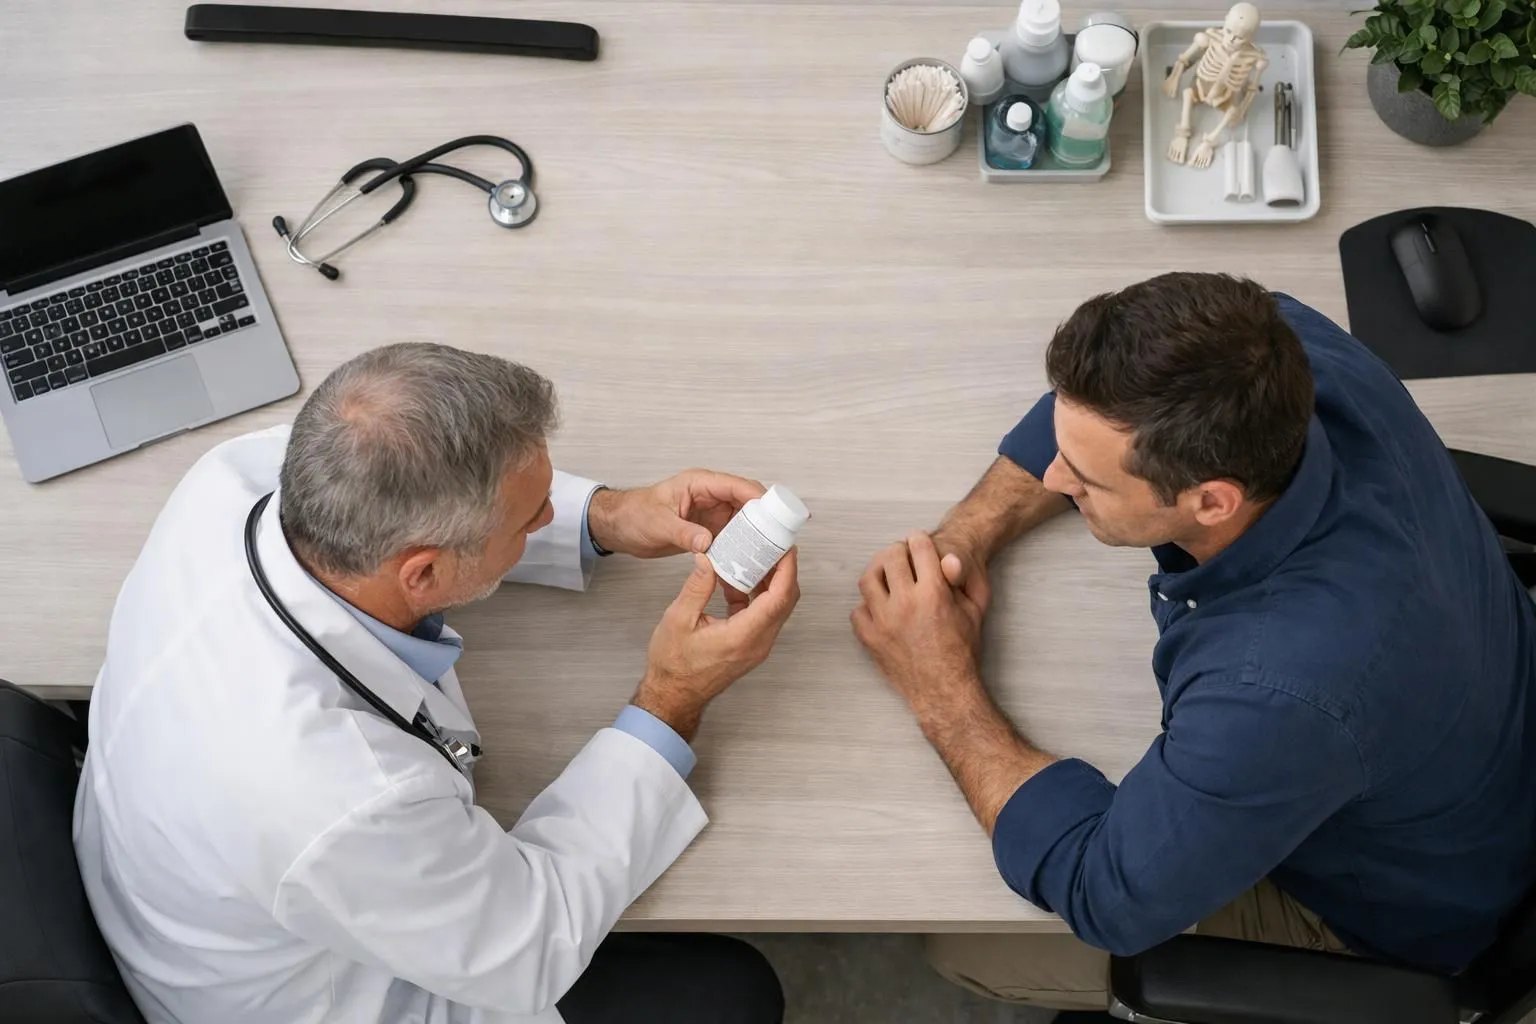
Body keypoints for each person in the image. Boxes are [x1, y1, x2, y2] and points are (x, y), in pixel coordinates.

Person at [851, 273, 1536, 1013]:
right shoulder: (1267, 344)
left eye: (1081, 479)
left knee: (960, 943)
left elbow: (1106, 891)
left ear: (1212, 501)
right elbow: (1097, 407)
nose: (1051, 477)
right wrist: (966, 538)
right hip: (1482, 721)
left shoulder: (1280, 686)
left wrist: (938, 683)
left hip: (1407, 914)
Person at [74, 342, 800, 1024]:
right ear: (422, 574)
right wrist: (671, 698)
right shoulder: (340, 796)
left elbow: (433, 510)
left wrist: (606, 515)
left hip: (172, 881)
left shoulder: (236, 477)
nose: (548, 517)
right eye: (531, 517)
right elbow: (532, 941)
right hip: (294, 997)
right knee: (733, 991)